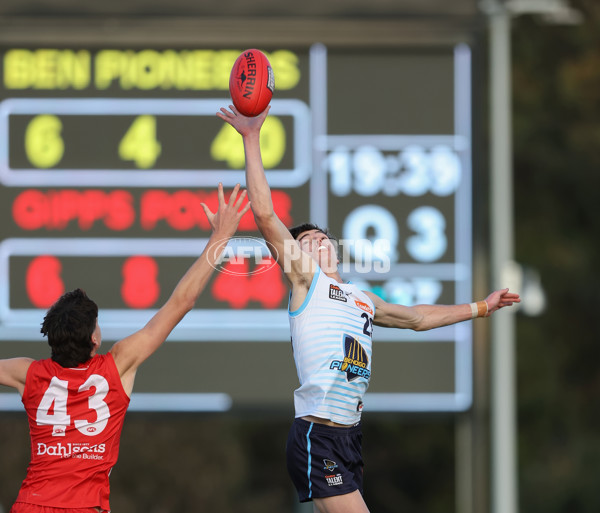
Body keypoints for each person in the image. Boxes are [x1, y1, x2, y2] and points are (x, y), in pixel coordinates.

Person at [217, 105, 521, 513]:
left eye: (322, 238)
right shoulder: (307, 282)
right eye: (307, 242)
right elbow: (265, 214)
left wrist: (481, 307)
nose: (318, 243)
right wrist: (251, 139)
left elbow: (416, 318)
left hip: (348, 437)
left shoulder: (362, 298)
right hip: (317, 435)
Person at [0, 183, 250, 513]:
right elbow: (182, 301)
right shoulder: (117, 365)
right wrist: (221, 236)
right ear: (94, 339)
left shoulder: (28, 373)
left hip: (30, 504)